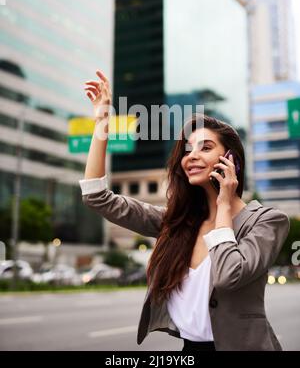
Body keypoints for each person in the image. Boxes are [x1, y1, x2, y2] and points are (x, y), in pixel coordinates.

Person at [79, 70, 290, 352]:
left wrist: (224, 205)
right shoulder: (177, 221)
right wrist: (103, 123)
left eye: (206, 147)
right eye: (188, 150)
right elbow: (97, 197)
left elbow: (229, 275)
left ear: (231, 160)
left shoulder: (267, 221)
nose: (192, 156)